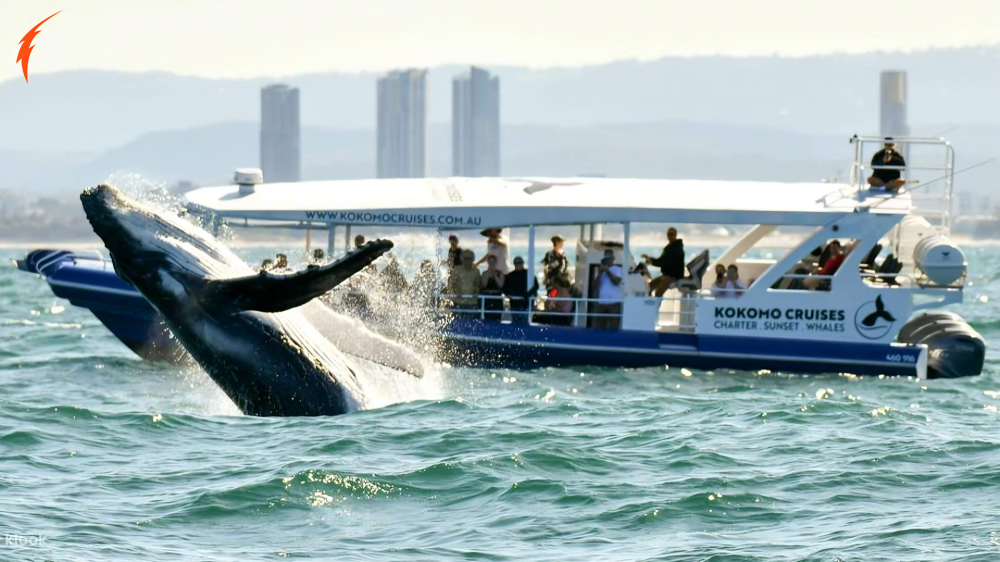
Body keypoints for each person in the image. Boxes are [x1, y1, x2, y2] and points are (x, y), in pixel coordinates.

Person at [642, 227, 685, 297]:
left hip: (674, 276)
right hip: (666, 275)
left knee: (658, 293)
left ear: (675, 235)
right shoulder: (669, 248)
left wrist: (651, 261)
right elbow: (662, 260)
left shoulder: (677, 249)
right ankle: (649, 306)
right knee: (648, 287)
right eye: (669, 234)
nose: (670, 236)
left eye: (672, 234)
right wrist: (650, 260)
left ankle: (655, 307)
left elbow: (664, 262)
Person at [503, 256, 540, 323]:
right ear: (514, 264)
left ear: (523, 263)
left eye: (520, 263)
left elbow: (536, 286)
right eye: (517, 263)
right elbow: (505, 288)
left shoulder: (529, 274)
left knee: (525, 321)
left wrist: (526, 295)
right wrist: (508, 294)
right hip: (515, 303)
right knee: (515, 322)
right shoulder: (510, 276)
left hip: (526, 303)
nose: (518, 265)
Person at [593, 249, 623, 329]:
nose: (607, 259)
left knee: (614, 326)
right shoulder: (600, 271)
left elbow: (617, 281)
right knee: (598, 326)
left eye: (609, 257)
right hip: (602, 302)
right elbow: (595, 286)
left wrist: (607, 271)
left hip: (614, 302)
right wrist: (600, 273)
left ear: (613, 258)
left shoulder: (618, 269)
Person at [448, 249, 481, 315]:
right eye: (466, 258)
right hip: (458, 301)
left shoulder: (476, 271)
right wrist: (452, 295)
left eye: (470, 259)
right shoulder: (457, 269)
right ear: (462, 259)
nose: (468, 261)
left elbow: (478, 285)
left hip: (471, 302)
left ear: (473, 259)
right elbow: (451, 283)